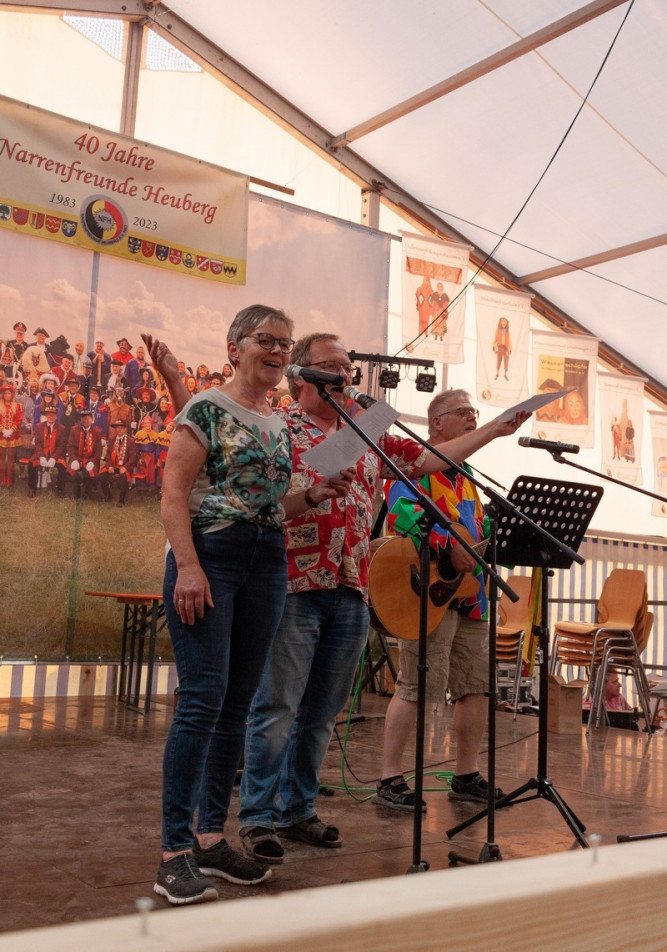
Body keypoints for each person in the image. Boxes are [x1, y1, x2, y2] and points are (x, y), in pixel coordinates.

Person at [151, 330, 529, 866]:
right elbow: (213, 439)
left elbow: (428, 461)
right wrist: (174, 382)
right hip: (289, 582)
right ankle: (257, 817)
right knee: (276, 707)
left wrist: (493, 429)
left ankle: (298, 808)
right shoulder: (277, 422)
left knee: (323, 712)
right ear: (303, 374)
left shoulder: (365, 430)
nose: (346, 375)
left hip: (352, 584)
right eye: (333, 366)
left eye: (349, 367)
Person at [143, 308, 350, 907]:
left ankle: (211, 837)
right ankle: (173, 853)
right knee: (202, 702)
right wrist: (188, 567)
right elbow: (174, 493)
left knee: (237, 706)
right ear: (234, 347)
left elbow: (267, 507)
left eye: (286, 343)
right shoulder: (205, 407)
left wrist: (312, 495)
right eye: (267, 340)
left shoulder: (277, 423)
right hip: (212, 556)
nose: (279, 351)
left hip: (268, 560)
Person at [374, 388, 503, 811]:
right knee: (417, 685)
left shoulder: (468, 476)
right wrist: (447, 543)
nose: (471, 417)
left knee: (476, 687)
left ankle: (466, 774)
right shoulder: (415, 465)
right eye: (462, 411)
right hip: (426, 592)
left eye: (474, 411)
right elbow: (402, 513)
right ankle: (390, 777)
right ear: (437, 422)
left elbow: (476, 529)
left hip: (470, 594)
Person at [27, 404, 67, 498]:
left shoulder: (61, 428)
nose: (51, 417)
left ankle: (60, 490)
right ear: (45, 415)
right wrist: (41, 456)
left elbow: (61, 446)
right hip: (41, 454)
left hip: (55, 455)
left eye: (53, 415)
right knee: (31, 464)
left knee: (63, 467)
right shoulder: (39, 426)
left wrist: (53, 458)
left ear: (56, 416)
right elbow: (37, 443)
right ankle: (32, 488)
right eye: (49, 414)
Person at [0, 381, 23, 487]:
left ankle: (9, 479)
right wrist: (3, 430)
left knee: (11, 458)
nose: (7, 395)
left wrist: (11, 430)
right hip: (1, 435)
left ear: (12, 394)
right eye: (5, 393)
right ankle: (2, 478)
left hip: (13, 435)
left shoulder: (17, 406)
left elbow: (18, 419)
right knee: (1, 458)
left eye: (9, 393)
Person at [492, 317, 512, 381]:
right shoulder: (498, 330)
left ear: (506, 323)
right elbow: (495, 338)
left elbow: (509, 341)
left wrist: (510, 348)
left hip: (506, 348)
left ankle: (505, 374)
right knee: (499, 360)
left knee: (506, 360)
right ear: (500, 323)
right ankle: (497, 373)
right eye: (502, 322)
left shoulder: (508, 332)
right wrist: (493, 345)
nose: (503, 323)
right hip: (499, 347)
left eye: (505, 322)